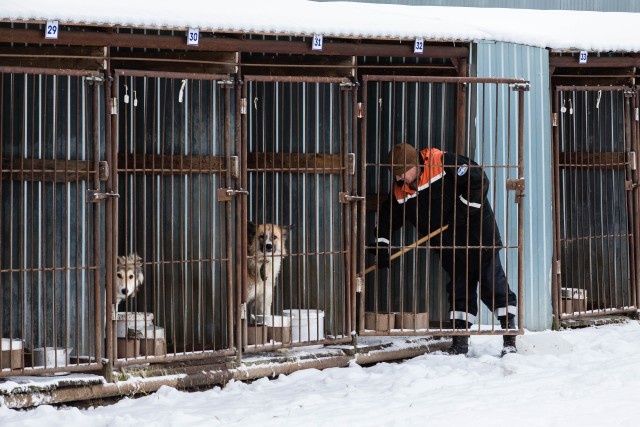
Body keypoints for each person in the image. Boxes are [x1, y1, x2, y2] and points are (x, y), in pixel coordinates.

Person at [371, 143, 518, 356]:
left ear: (416, 164)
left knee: (493, 286)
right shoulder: (401, 190)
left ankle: (510, 339)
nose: (401, 178)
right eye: (397, 175)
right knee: (460, 292)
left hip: (478, 236)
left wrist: (462, 211)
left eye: (404, 172)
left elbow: (478, 180)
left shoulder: (442, 163)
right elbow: (388, 217)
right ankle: (459, 345)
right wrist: (381, 245)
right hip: (450, 246)